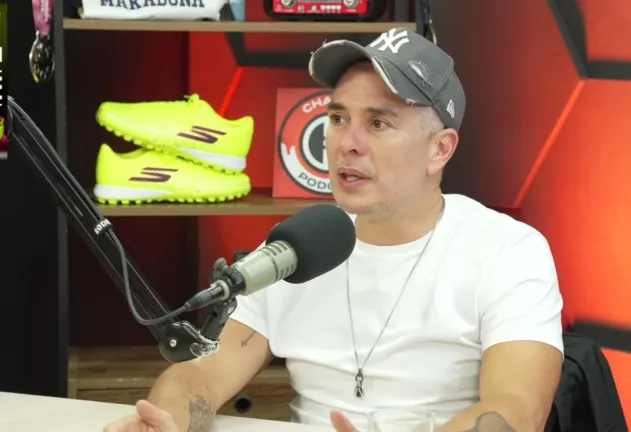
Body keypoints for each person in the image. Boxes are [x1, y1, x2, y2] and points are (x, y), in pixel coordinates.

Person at [103, 28, 564, 432]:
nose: (348, 143)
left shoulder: (508, 251)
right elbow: (202, 374)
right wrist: (168, 420)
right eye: (338, 119)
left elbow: (515, 411)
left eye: (378, 123)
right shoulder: (296, 246)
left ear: (439, 150)